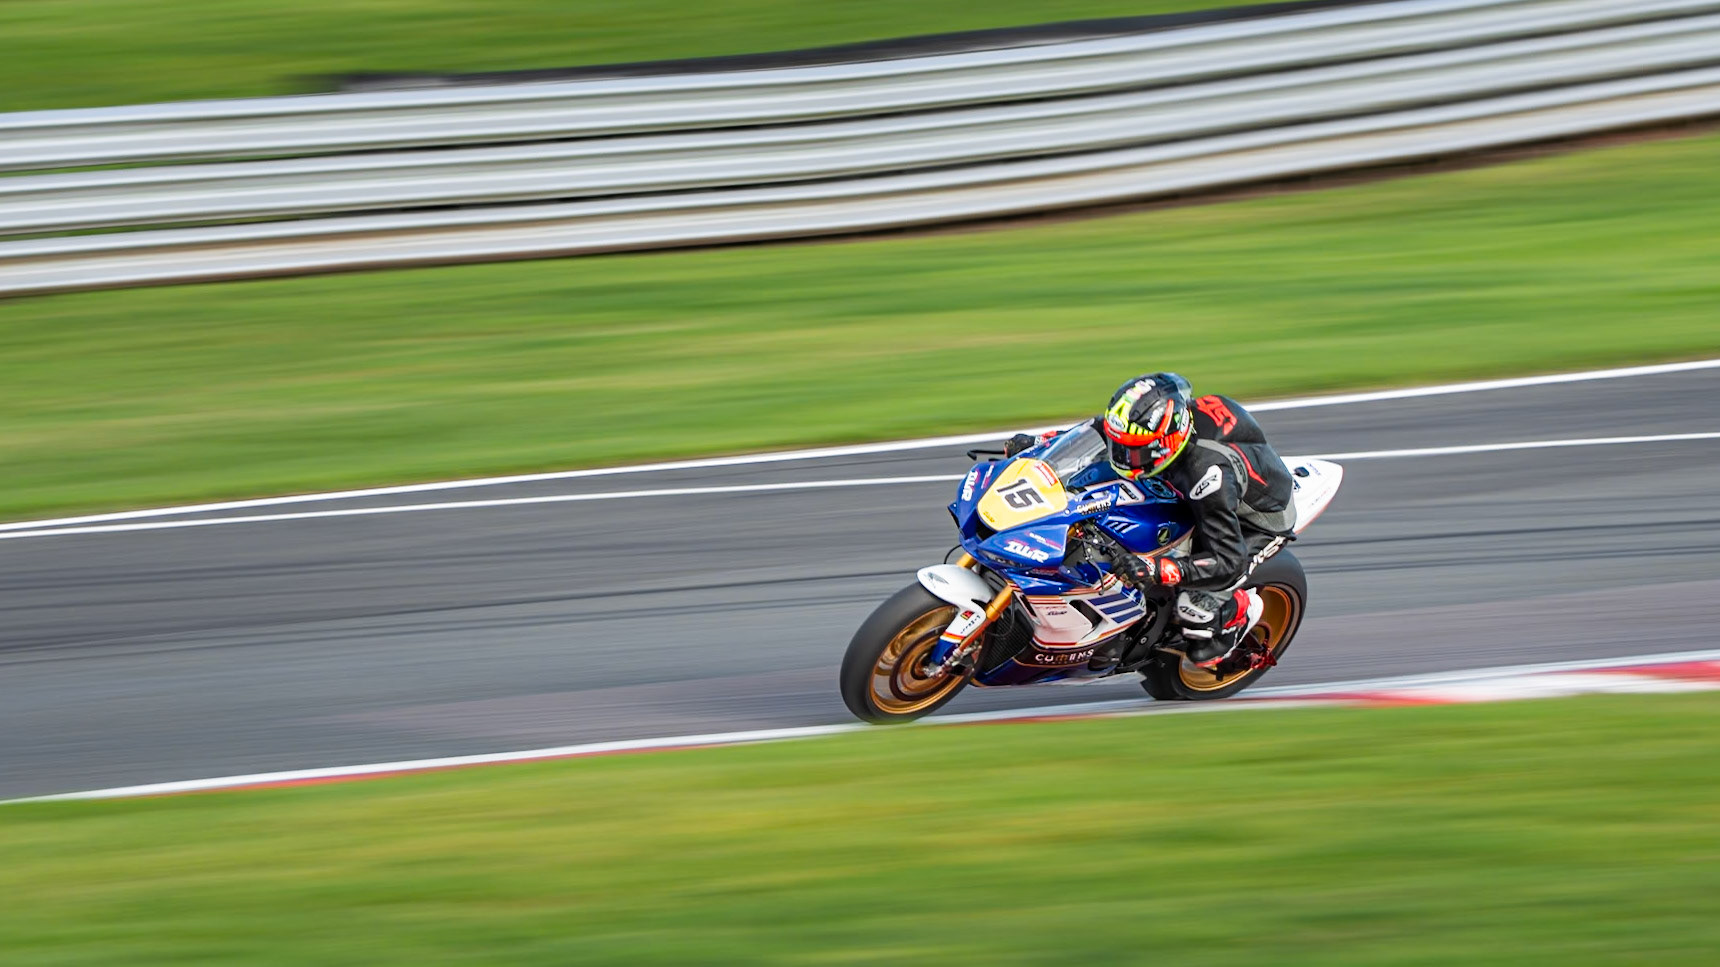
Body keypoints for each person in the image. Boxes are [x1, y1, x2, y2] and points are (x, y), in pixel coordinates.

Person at [1005, 373, 1296, 668]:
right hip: (1190, 489)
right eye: (1123, 446)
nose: (1123, 456)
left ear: (1169, 442)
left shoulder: (1208, 477)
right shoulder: (1152, 427)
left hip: (1252, 521)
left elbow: (1227, 560)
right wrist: (1041, 446)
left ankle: (1237, 613)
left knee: (1195, 614)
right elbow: (1098, 431)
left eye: (1135, 450)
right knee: (1092, 489)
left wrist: (1157, 568)